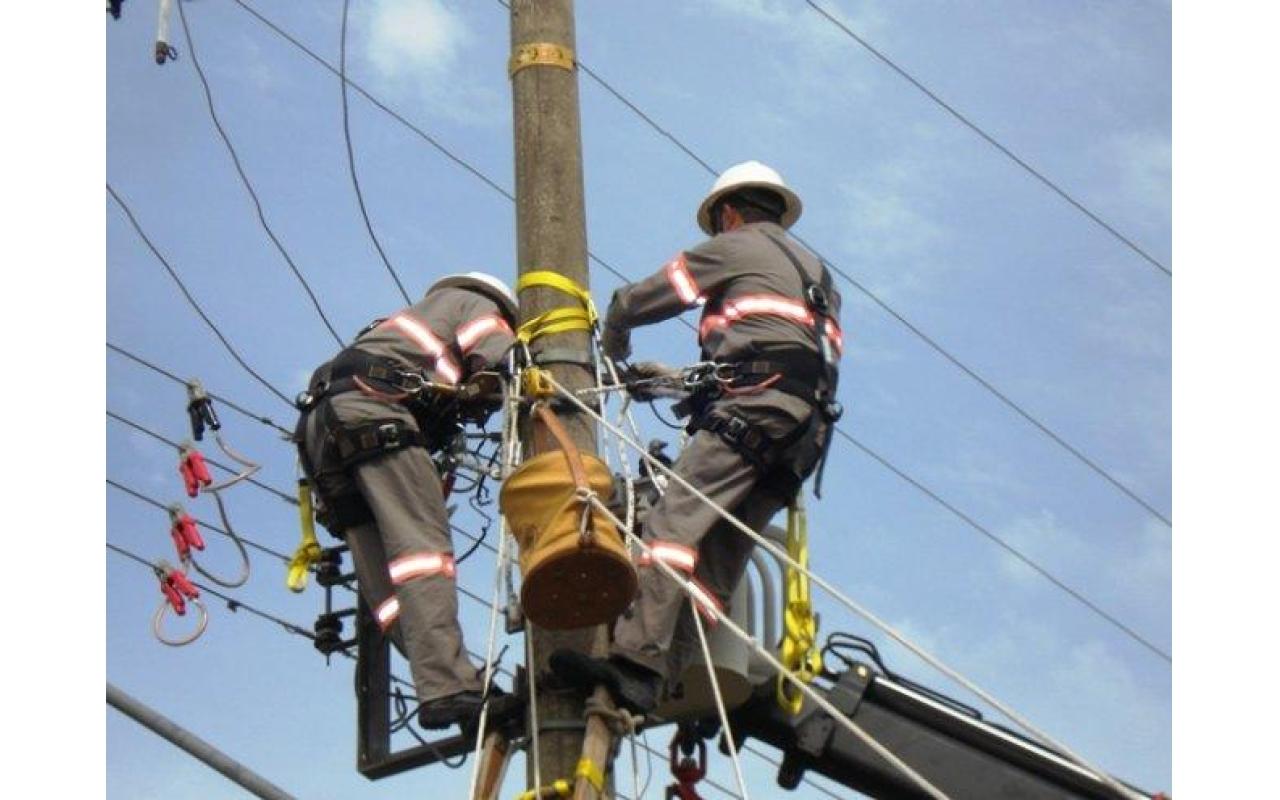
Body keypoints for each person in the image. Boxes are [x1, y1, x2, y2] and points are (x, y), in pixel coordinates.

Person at [552, 161, 843, 713]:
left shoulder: (735, 248)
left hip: (752, 414)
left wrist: (613, 347)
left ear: (729, 213)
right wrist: (664, 383)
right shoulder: (818, 276)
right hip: (802, 438)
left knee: (669, 528)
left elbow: (639, 300)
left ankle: (636, 660)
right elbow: (774, 359)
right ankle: (666, 677)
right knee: (715, 565)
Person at [295, 272, 522, 731]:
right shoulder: (474, 306)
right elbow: (504, 360)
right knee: (422, 554)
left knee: (386, 587)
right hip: (374, 413)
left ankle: (450, 685)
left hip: (319, 431)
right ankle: (448, 687)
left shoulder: (395, 325)